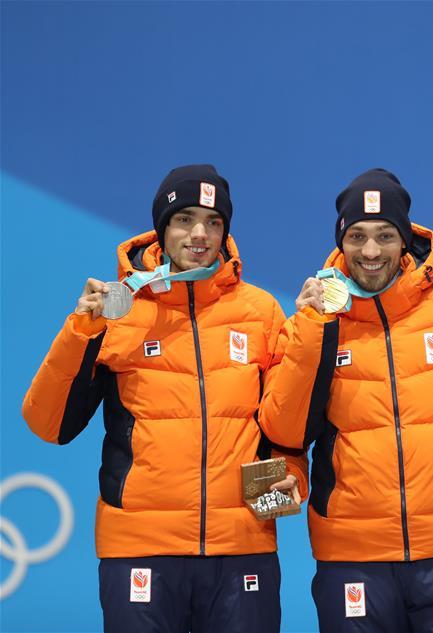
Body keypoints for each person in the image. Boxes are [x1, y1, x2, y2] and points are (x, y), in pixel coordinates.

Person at [22, 164, 302, 633]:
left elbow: (283, 423)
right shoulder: (117, 310)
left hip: (241, 547)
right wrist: (81, 331)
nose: (200, 234)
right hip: (139, 549)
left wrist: (290, 476)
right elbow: (49, 424)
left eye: (214, 222)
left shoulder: (261, 312)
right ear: (161, 228)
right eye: (185, 219)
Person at [258, 168, 433, 632]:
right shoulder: (314, 320)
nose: (371, 251)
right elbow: (284, 430)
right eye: (357, 236)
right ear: (341, 242)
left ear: (406, 240)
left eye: (385, 235)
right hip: (353, 557)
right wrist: (309, 329)